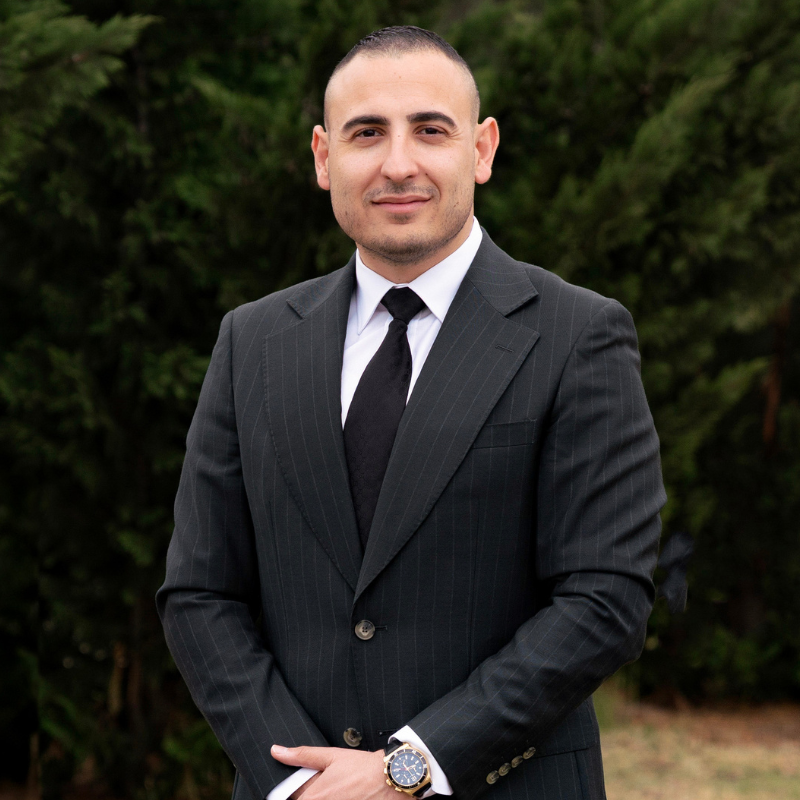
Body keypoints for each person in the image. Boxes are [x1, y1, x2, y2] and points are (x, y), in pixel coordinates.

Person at [156, 25, 666, 800]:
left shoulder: (578, 335)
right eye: (367, 133)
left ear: (482, 149)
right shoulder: (250, 342)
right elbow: (200, 594)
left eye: (430, 130)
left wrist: (408, 770)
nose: (398, 163)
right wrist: (296, 782)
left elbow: (605, 600)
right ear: (324, 157)